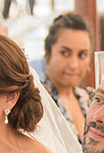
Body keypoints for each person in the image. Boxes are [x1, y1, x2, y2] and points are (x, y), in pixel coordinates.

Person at [39, 12, 94, 140]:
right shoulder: (35, 101)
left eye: (82, 55)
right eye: (65, 53)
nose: (74, 65)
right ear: (48, 54)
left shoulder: (91, 99)